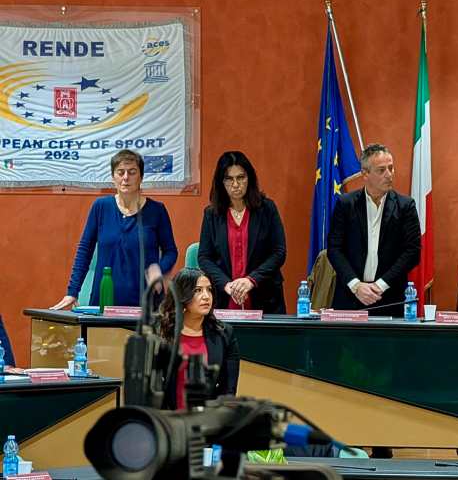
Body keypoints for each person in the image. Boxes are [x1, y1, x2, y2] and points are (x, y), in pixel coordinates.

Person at [53, 149, 178, 309]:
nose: (126, 177)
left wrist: (159, 269)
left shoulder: (157, 210)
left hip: (146, 302)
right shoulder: (101, 207)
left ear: (141, 177)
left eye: (132, 172)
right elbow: (85, 250)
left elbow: (171, 251)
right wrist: (72, 291)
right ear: (113, 177)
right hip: (104, 300)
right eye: (120, 172)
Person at [326, 143, 421, 316]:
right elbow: (334, 249)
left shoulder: (405, 206)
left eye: (391, 168)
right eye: (381, 170)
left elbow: (412, 252)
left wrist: (380, 285)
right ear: (365, 174)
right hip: (350, 297)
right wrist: (356, 285)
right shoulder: (346, 204)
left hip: (389, 297)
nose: (389, 175)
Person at [198, 151, 288, 314]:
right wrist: (227, 285)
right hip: (224, 298)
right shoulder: (212, 214)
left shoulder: (267, 209)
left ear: (249, 178)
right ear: (221, 182)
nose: (235, 184)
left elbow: (278, 252)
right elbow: (204, 257)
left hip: (265, 296)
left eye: (240, 177)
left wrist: (251, 280)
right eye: (229, 179)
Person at [158, 267, 240, 411]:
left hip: (209, 418)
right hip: (167, 417)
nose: (206, 296)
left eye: (209, 290)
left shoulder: (225, 333)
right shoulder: (161, 332)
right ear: (182, 294)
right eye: (198, 290)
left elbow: (229, 390)